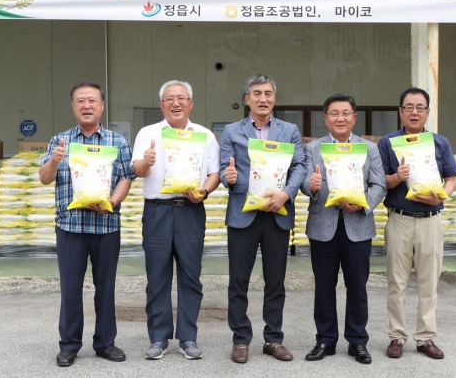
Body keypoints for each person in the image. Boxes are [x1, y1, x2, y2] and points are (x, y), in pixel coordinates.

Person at [39, 82, 134, 367]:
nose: (86, 106)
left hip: (106, 227)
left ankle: (105, 342)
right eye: (80, 101)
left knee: (106, 287)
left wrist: (113, 203)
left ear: (102, 106)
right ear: (73, 107)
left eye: (92, 100)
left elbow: (127, 177)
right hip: (70, 226)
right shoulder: (60, 141)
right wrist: (54, 162)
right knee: (70, 287)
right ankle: (69, 344)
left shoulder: (117, 141)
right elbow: (44, 178)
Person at [219, 74, 306, 364]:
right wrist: (227, 177)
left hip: (277, 213)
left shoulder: (289, 130)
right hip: (243, 214)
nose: (263, 98)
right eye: (256, 93)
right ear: (247, 99)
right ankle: (241, 339)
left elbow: (300, 166)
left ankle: (274, 338)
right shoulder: (232, 131)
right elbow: (224, 168)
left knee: (275, 281)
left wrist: (287, 193)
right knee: (238, 280)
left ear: (274, 99)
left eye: (268, 93)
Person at [132, 80, 220, 361]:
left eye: (181, 98)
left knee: (191, 277)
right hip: (157, 210)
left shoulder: (205, 135)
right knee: (157, 276)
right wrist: (147, 160)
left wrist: (204, 191)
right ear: (162, 105)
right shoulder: (148, 134)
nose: (175, 103)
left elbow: (214, 173)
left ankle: (187, 337)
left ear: (191, 104)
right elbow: (138, 170)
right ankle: (158, 338)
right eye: (169, 98)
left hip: (191, 211)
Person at [300, 93, 386, 364]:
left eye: (345, 113)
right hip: (322, 225)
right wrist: (311, 186)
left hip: (357, 226)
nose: (340, 118)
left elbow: (379, 184)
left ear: (354, 117)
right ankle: (325, 340)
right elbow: (304, 182)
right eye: (334, 113)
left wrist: (362, 205)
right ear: (325, 118)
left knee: (357, 287)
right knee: (324, 286)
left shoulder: (369, 148)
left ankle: (357, 341)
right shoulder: (312, 149)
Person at [378, 87, 456, 360]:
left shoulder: (440, 143)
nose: (414, 112)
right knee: (396, 283)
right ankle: (396, 337)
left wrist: (441, 196)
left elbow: (451, 177)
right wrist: (397, 177)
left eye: (420, 107)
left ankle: (426, 338)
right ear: (400, 111)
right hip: (399, 219)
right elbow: (381, 182)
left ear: (427, 111)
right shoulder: (388, 143)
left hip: (430, 221)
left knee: (429, 283)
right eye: (408, 107)